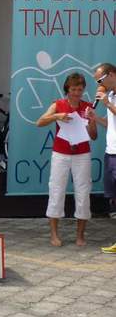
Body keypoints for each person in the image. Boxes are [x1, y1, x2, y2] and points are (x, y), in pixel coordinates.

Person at [37, 72, 97, 247]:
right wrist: (57, 116)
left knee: (83, 193)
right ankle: (54, 234)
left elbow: (94, 136)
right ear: (67, 89)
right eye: (73, 89)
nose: (77, 93)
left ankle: (80, 235)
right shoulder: (58, 104)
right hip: (61, 154)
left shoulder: (88, 107)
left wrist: (92, 121)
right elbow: (39, 122)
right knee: (56, 190)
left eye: (80, 89)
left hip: (82, 154)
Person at [86, 63, 116, 253]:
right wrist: (95, 118)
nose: (99, 85)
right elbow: (111, 123)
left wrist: (107, 104)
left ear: (111, 74)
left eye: (100, 80)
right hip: (110, 152)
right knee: (114, 199)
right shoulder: (111, 96)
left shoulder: (109, 99)